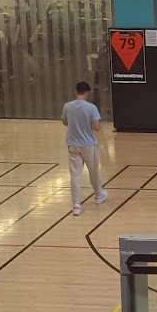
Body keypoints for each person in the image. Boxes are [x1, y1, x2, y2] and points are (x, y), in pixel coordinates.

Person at [62, 81, 108, 216]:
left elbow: (65, 122)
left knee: (75, 175)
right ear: (87, 93)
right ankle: (98, 195)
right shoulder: (91, 108)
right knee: (93, 171)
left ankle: (76, 205)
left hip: (72, 144)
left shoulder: (67, 106)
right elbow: (97, 127)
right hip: (88, 144)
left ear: (75, 91)